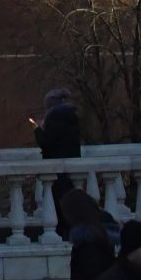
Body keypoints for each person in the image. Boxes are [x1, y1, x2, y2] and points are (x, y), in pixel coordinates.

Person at [37, 88, 84, 237]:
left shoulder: (53, 117)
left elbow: (47, 143)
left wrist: (38, 130)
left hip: (56, 166)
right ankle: (69, 230)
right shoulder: (71, 116)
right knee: (69, 201)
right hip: (71, 163)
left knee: (56, 202)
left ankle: (61, 231)